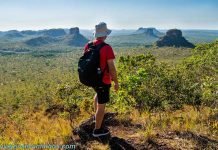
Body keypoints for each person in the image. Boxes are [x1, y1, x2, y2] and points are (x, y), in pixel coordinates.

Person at [83, 22, 119, 137]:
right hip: (103, 80)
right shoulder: (106, 48)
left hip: (92, 79)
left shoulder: (88, 45)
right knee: (101, 105)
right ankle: (97, 131)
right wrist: (116, 82)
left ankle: (96, 118)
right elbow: (112, 68)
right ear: (105, 35)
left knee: (97, 95)